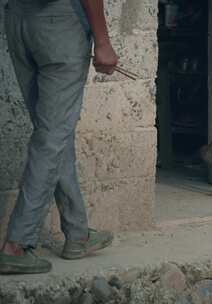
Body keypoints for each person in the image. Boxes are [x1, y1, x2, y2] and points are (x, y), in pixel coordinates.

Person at [0, 0, 118, 274]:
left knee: (53, 133)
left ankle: (77, 233)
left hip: (18, 20)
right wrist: (102, 41)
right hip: (61, 24)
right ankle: (16, 245)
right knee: (52, 137)